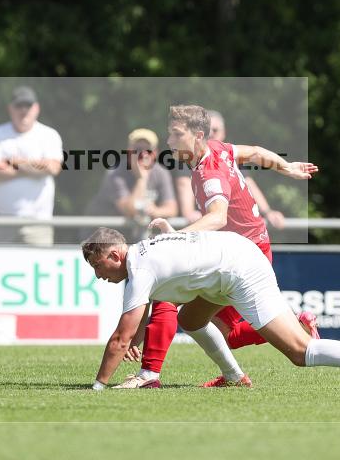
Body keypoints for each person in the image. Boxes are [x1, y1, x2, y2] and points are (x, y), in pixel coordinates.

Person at [115, 104, 317, 388]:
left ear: (197, 136)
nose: (169, 141)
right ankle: (249, 364)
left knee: (166, 294)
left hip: (242, 255)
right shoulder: (217, 149)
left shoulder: (209, 172)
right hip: (246, 248)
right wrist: (286, 167)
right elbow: (256, 152)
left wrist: (174, 239)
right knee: (220, 332)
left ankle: (149, 375)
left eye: (175, 134)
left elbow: (218, 217)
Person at [82, 228, 340, 391]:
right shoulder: (140, 260)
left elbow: (119, 339)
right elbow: (140, 317)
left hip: (239, 268)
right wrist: (137, 337)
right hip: (228, 260)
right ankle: (234, 377)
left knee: (300, 352)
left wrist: (97, 388)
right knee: (190, 317)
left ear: (114, 256)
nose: (99, 276)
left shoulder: (139, 269)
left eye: (98, 267)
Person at [0, 86, 63, 246]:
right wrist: (34, 168)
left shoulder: (48, 135)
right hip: (0, 222)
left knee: (40, 269)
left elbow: (53, 167)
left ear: (36, 108)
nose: (24, 110)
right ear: (10, 109)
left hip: (38, 224)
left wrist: (15, 163)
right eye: (19, 106)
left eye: (28, 105)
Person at [175, 110, 286, 229]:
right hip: (204, 226)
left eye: (215, 130)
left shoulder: (230, 155)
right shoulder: (188, 157)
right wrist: (189, 213)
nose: (211, 134)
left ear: (224, 133)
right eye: (208, 130)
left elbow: (248, 183)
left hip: (232, 227)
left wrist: (267, 211)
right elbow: (184, 183)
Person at [84, 129, 177, 240]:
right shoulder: (115, 173)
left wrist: (155, 211)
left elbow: (172, 209)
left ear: (155, 153)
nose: (143, 154)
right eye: (137, 149)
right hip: (101, 238)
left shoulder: (161, 172)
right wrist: (141, 178)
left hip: (132, 237)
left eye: (148, 150)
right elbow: (131, 211)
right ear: (129, 152)